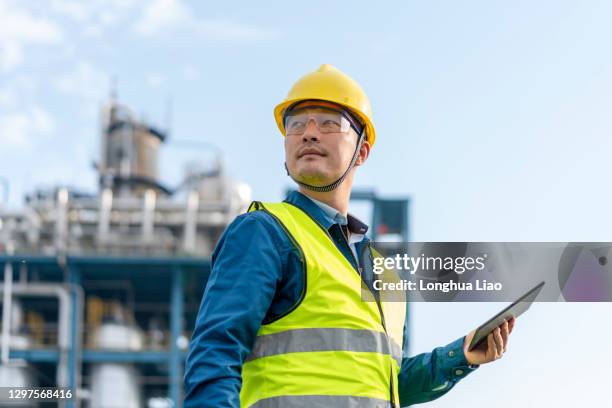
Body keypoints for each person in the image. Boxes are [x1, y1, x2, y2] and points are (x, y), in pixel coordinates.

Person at [184, 64, 516, 408]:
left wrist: (460, 356)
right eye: (296, 124)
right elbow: (215, 352)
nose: (309, 134)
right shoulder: (265, 232)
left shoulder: (385, 274)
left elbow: (387, 385)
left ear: (362, 151)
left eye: (329, 123)